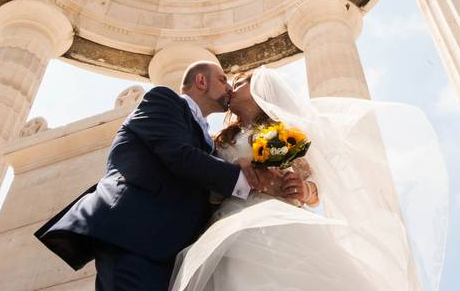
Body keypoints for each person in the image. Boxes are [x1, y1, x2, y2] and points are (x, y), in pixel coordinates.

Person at [167, 68, 447, 290]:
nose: (230, 89)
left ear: (258, 90)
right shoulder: (220, 140)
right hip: (228, 221)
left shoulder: (286, 134)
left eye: (238, 84)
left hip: (277, 219)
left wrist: (303, 189)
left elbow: (315, 189)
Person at [34, 61, 281, 290]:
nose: (229, 87)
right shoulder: (163, 100)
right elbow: (179, 155)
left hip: (172, 252)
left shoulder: (210, 140)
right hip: (134, 236)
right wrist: (250, 181)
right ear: (201, 82)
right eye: (223, 79)